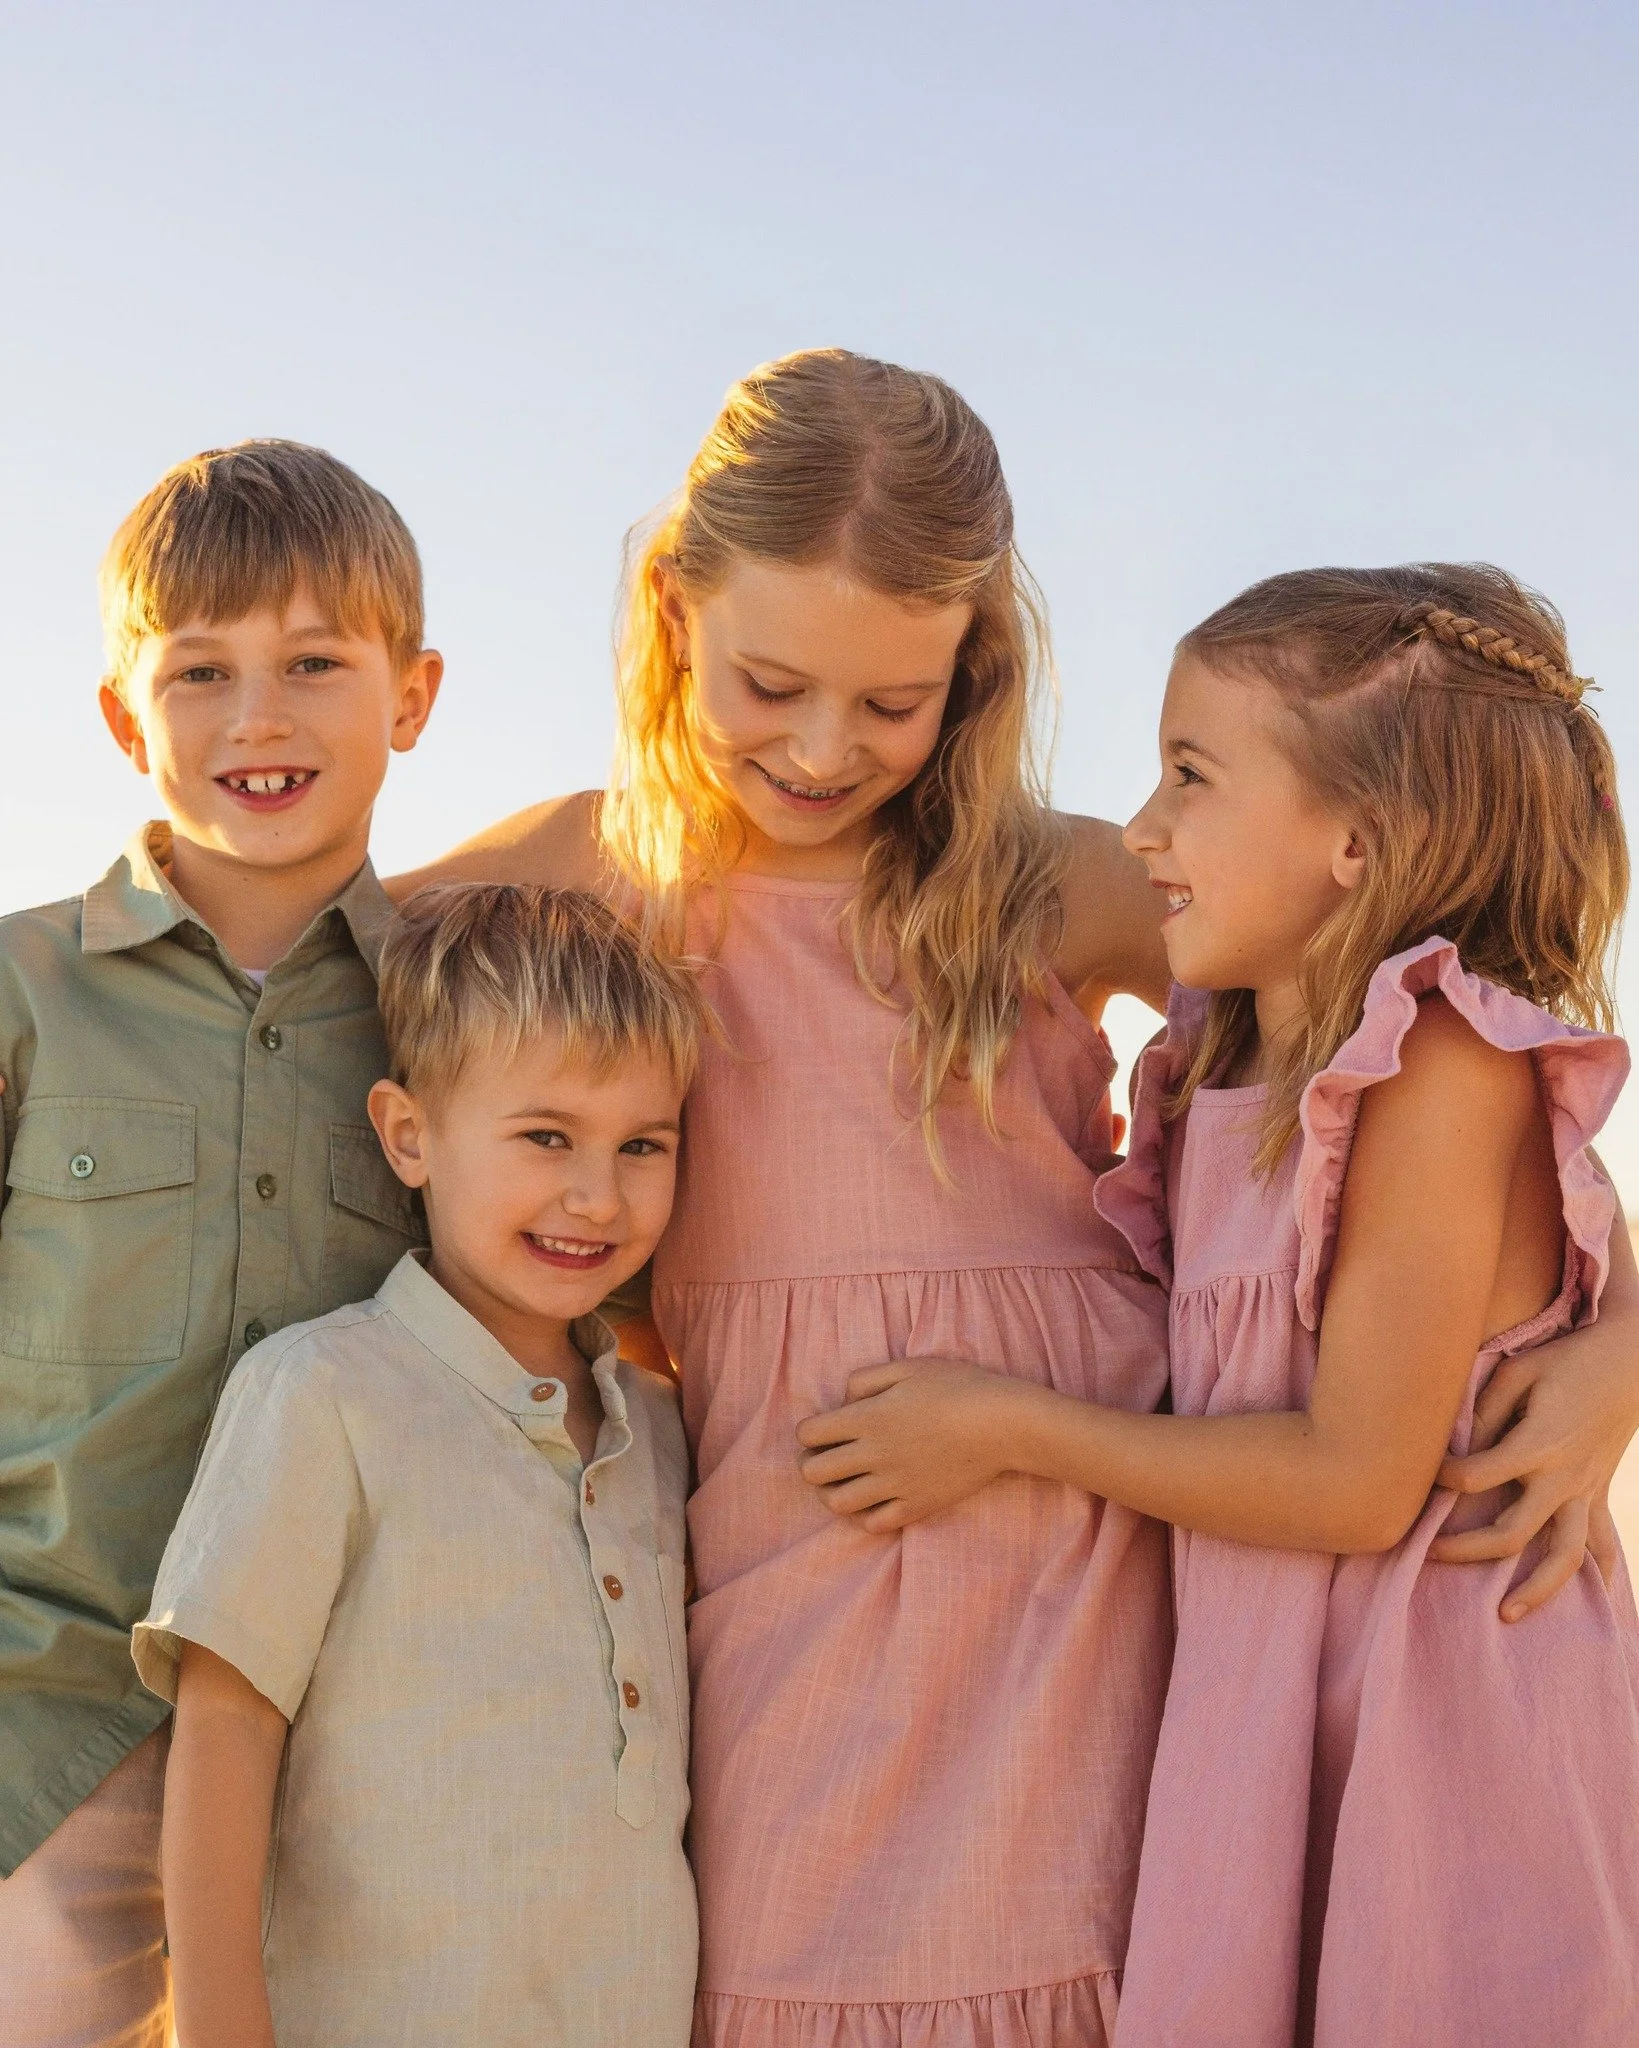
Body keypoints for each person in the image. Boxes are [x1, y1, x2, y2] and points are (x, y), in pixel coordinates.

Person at [405, 354, 1639, 2043]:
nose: (824, 748)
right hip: (794, 1570)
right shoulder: (581, 872)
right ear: (671, 611)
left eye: (891, 702)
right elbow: (258, 986)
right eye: (769, 682)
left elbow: (1433, 1037)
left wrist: (1622, 1337)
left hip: (1100, 1593)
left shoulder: (1056, 881)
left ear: (969, 668)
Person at [797, 564, 1639, 2044]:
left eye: (1189, 775)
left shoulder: (1439, 1068)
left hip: (1440, 1712)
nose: (1141, 830)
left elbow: (1357, 1480)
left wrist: (1005, 1429)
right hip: (1265, 1695)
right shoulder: (1217, 1061)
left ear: (1356, 844)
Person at [0, 440, 441, 2045]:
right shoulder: (25, 990)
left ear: (413, 695)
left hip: (363, 1731)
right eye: (202, 672)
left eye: (315, 662)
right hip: (47, 1729)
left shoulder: (453, 1015)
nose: (259, 716)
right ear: (128, 717)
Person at [134, 884, 703, 2047]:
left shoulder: (665, 1433)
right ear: (408, 1134)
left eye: (641, 1144)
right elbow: (226, 1732)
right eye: (546, 1135)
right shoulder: (325, 1391)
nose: (598, 1195)